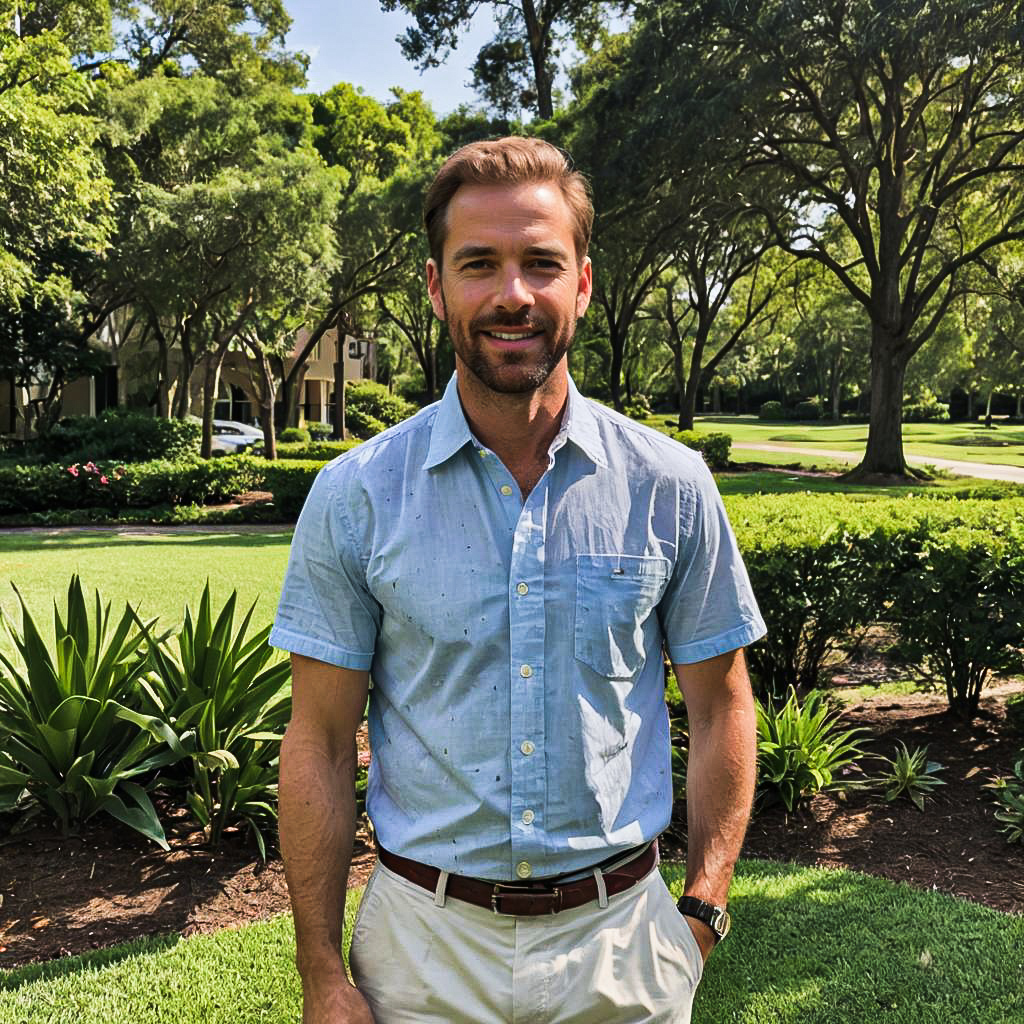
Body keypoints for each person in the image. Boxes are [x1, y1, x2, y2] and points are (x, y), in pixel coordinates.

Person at [271, 136, 766, 1024]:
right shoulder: (356, 496)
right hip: (421, 954)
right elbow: (317, 737)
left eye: (541, 262)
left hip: (624, 947)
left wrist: (701, 908)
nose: (512, 295)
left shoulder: (669, 486)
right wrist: (320, 971)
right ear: (435, 288)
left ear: (581, 282)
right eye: (479, 265)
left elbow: (723, 703)